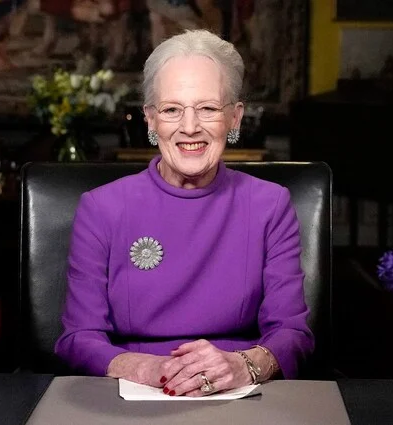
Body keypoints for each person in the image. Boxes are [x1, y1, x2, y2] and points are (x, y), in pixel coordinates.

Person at [54, 29, 314, 397]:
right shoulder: (101, 208)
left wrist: (244, 365)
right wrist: (150, 369)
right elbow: (78, 338)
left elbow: (292, 334)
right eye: (172, 109)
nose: (190, 127)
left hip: (239, 396)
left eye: (208, 108)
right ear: (150, 119)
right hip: (131, 395)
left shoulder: (270, 205)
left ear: (235, 118)